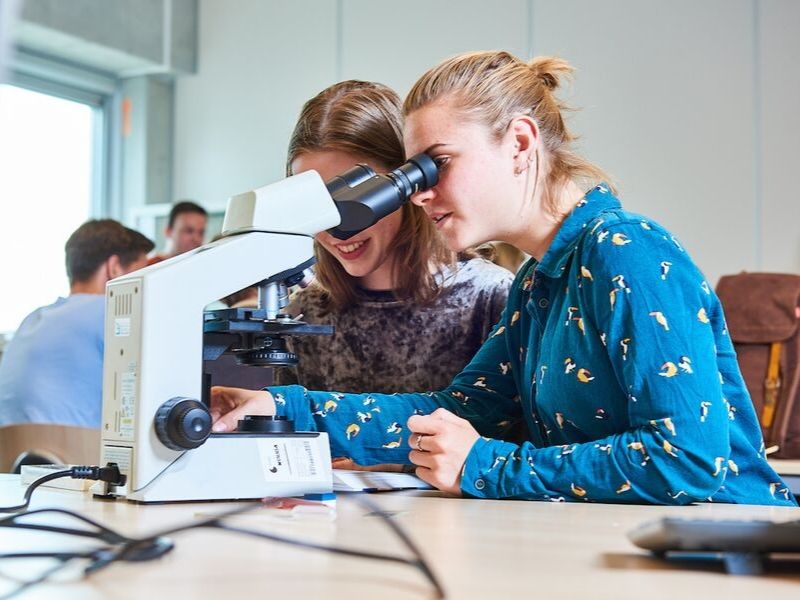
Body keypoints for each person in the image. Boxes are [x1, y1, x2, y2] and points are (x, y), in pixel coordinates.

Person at [210, 52, 795, 506]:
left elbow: (688, 459)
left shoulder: (625, 250)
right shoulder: (540, 282)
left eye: (437, 165)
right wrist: (281, 405)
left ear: (519, 143)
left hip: (727, 555)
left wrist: (486, 465)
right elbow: (456, 412)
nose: (420, 195)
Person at [274, 80, 513, 394]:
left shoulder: (491, 299)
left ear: (408, 182)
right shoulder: (303, 314)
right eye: (315, 204)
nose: (335, 227)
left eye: (351, 200)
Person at [0, 219, 153, 428]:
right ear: (114, 268)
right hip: (78, 446)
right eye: (140, 274)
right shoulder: (112, 312)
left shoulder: (32, 319)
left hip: (11, 448)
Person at [147, 200, 207, 265]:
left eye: (201, 233)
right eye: (188, 231)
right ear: (168, 231)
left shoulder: (204, 264)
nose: (196, 238)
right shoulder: (148, 267)